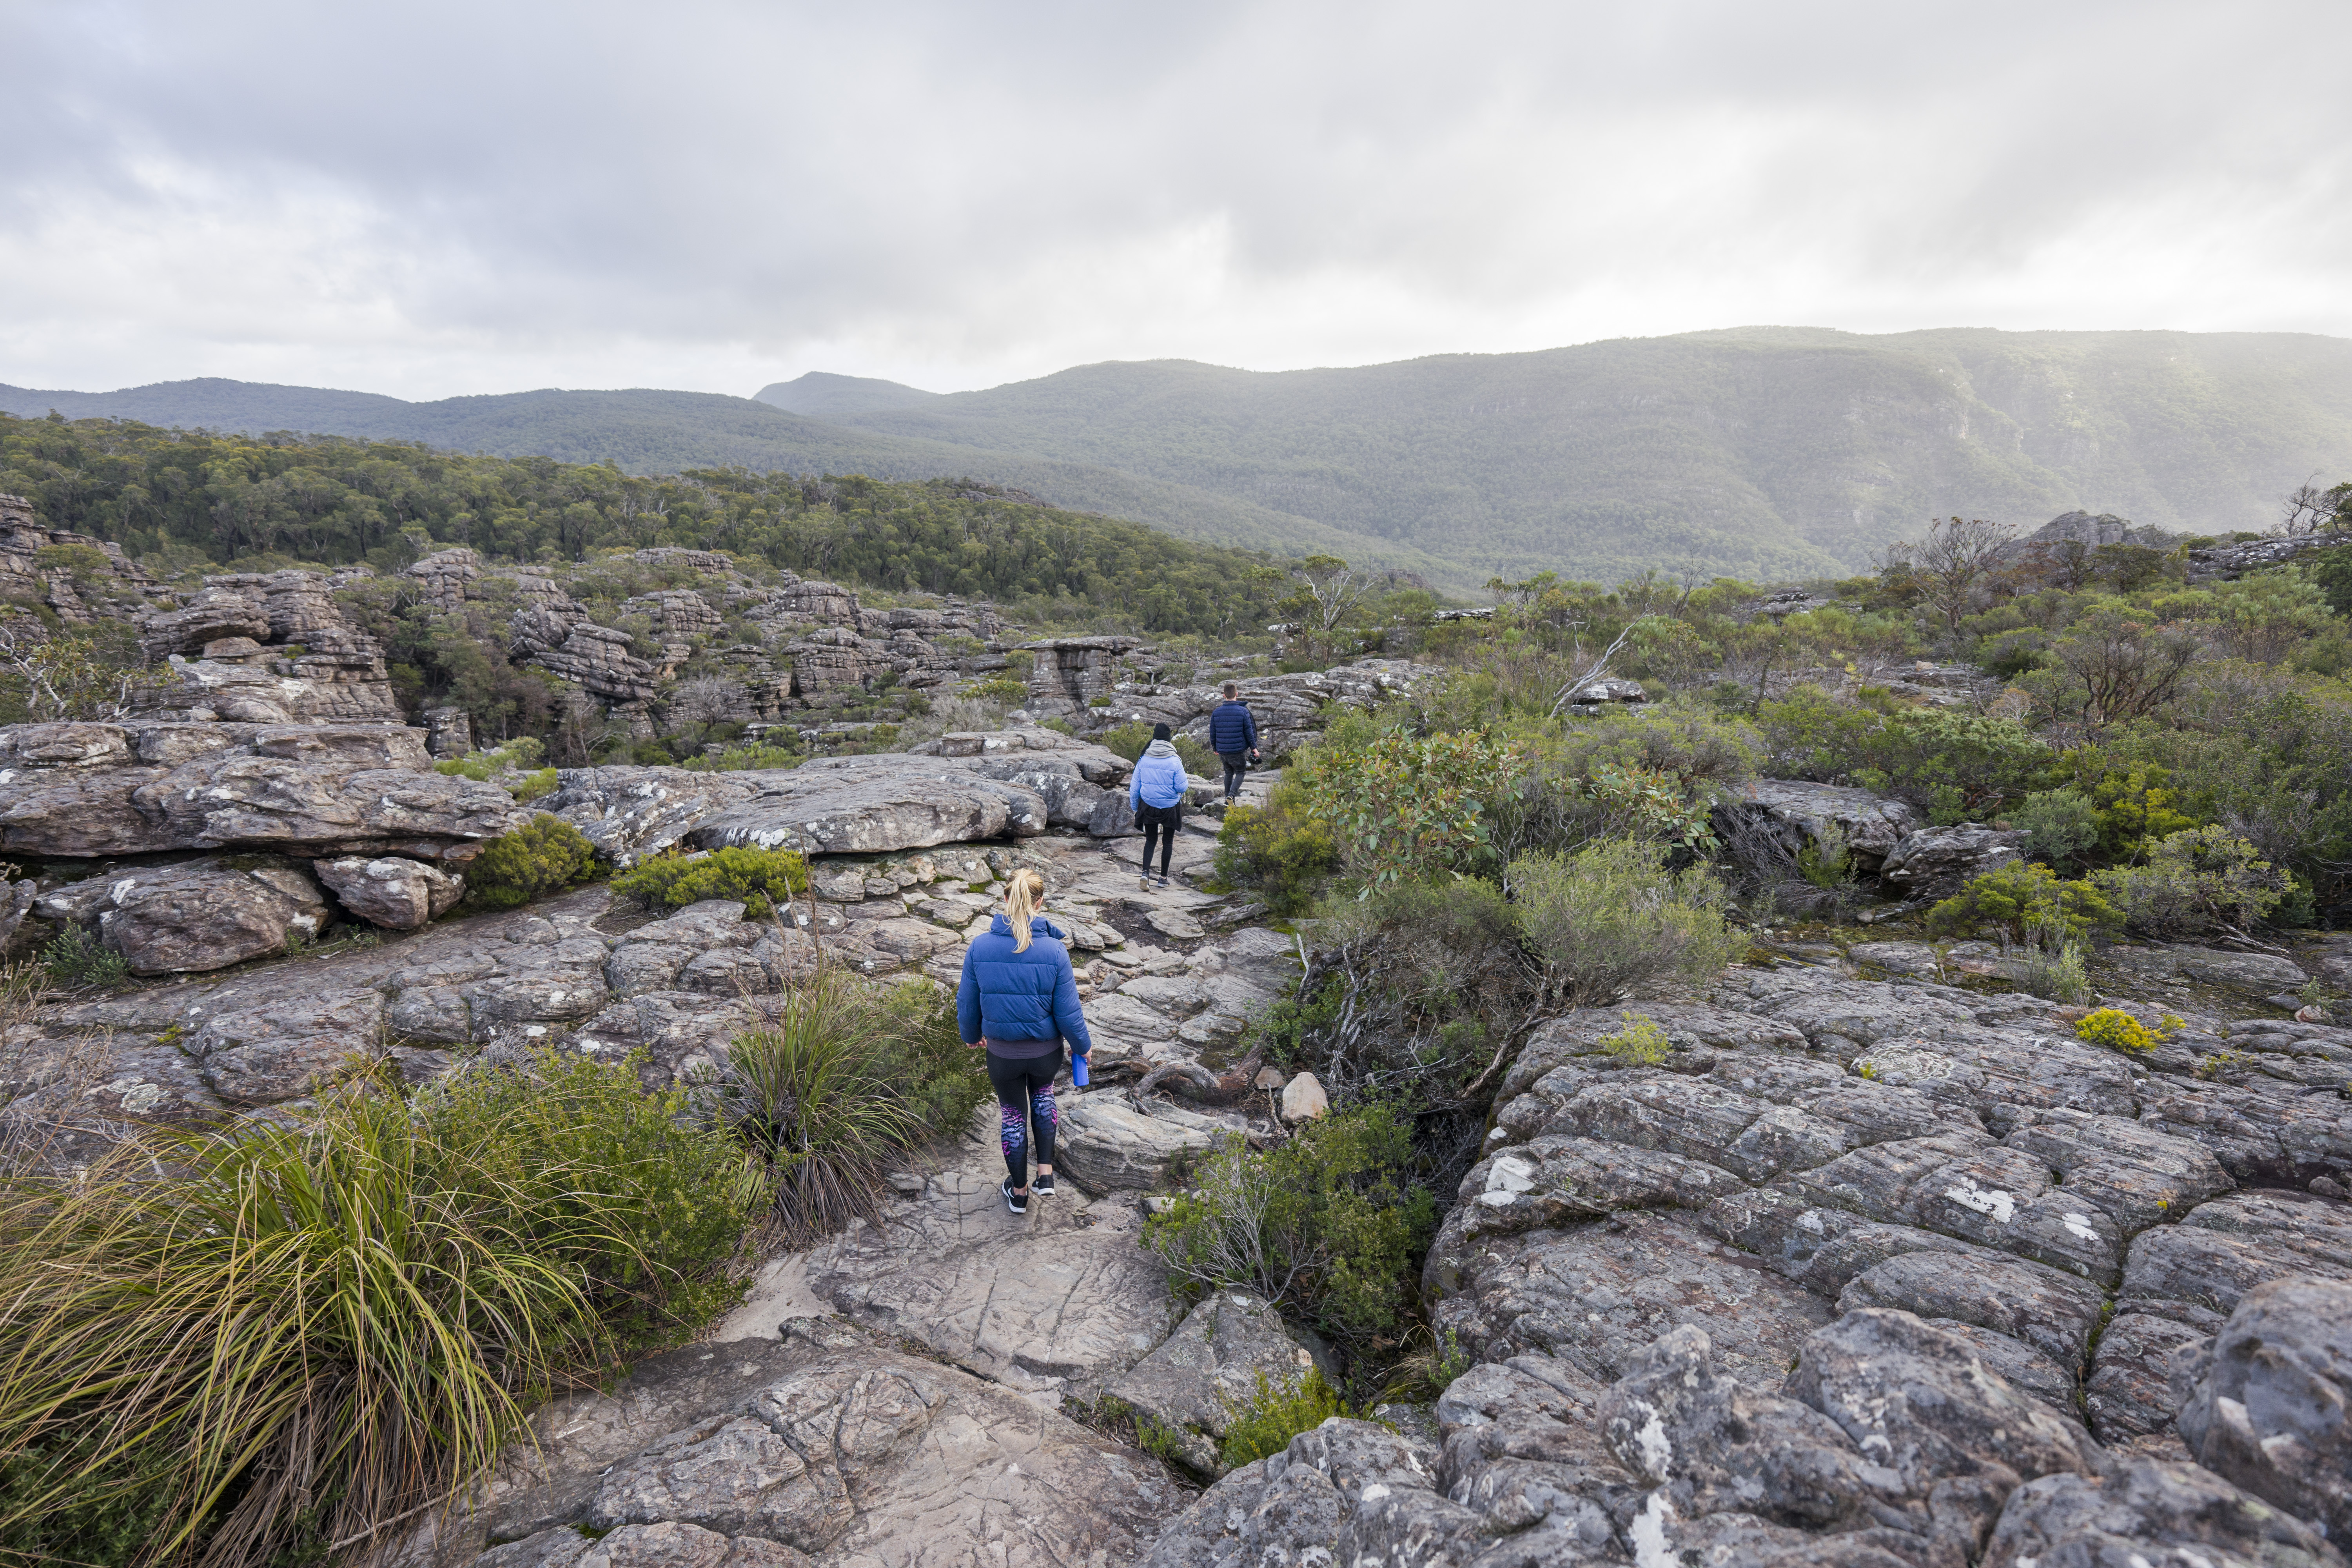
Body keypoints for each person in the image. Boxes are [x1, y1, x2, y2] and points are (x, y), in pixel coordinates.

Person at [955, 868, 1094, 1214]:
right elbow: (1068, 1012)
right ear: (1040, 902)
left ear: (1005, 899)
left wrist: (971, 1037)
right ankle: (1045, 1176)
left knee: (1014, 1116)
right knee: (1044, 1099)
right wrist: (1082, 1045)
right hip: (1046, 1053)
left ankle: (1019, 1193)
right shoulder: (1055, 951)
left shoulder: (980, 947)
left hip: (1003, 1056)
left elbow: (968, 1003)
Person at [1129, 722, 1188, 891]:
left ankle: (1145, 874)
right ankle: (1163, 879)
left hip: (1149, 805)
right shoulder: (1175, 761)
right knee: (1168, 841)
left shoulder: (1144, 758)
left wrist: (1136, 808)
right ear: (1169, 740)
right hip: (1170, 806)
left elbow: (1135, 788)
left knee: (1151, 840)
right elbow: (1182, 787)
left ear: (1154, 738)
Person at [1208, 682, 1260, 804]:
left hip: (1223, 751)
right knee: (1241, 773)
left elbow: (1213, 732)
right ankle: (1231, 796)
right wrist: (1254, 748)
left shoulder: (1216, 712)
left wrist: (1215, 748)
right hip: (1237, 750)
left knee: (1228, 773)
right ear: (1237, 694)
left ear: (1224, 695)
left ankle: (1228, 800)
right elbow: (1249, 732)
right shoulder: (1243, 711)